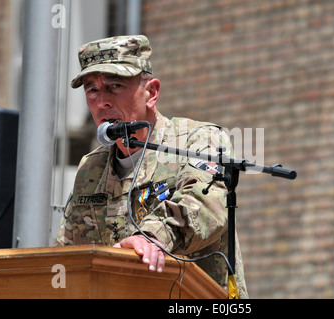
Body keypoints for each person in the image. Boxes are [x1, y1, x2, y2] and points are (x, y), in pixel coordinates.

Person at [54, 35, 248, 298]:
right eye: (92, 90)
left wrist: (151, 238)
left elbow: (206, 206)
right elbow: (68, 252)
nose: (102, 102)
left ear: (152, 93)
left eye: (115, 86)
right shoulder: (92, 167)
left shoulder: (199, 140)